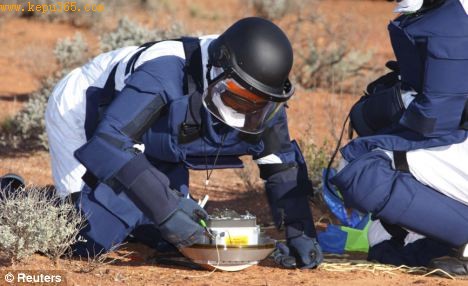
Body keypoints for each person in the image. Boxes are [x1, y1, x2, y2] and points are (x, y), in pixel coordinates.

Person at [45, 17, 323, 269]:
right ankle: (15, 196)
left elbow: (281, 164)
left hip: (156, 135)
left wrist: (301, 230)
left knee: (168, 234)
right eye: (237, 95)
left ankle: (132, 213)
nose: (245, 109)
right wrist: (167, 209)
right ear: (217, 69)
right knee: (85, 238)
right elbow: (109, 142)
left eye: (257, 102)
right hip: (87, 112)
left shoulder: (262, 92)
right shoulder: (163, 70)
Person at [330, 0, 468, 275]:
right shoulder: (448, 12)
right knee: (383, 240)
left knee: (360, 170)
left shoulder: (454, 19)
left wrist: (391, 108)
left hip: (455, 138)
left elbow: (437, 118)